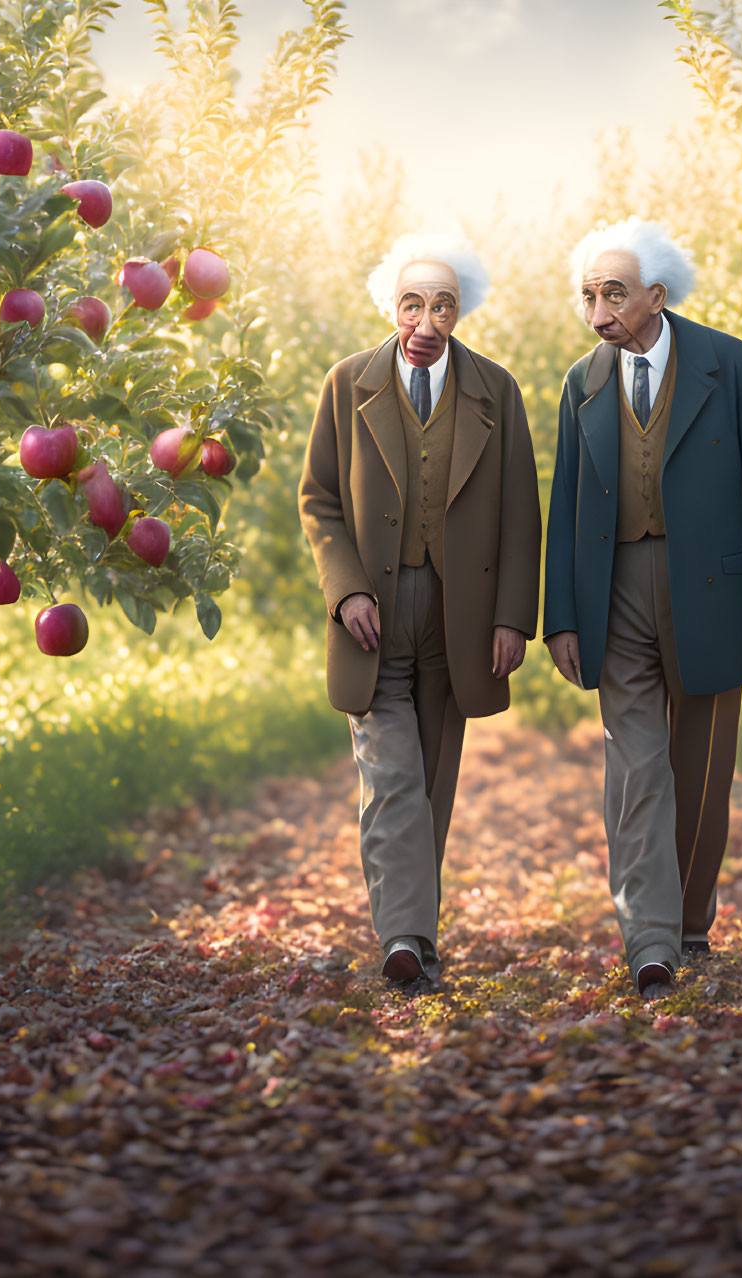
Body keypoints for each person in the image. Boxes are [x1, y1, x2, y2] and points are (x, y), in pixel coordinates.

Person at [542, 217, 742, 1001]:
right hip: (613, 590)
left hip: (715, 593)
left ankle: (689, 922)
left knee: (700, 772)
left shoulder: (728, 362)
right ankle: (649, 941)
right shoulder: (581, 380)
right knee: (636, 766)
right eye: (587, 296)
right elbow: (567, 505)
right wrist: (562, 617)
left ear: (655, 295)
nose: (597, 313)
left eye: (612, 294)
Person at [299, 233, 541, 986]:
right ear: (391, 306)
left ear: (459, 311)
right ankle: (403, 940)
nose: (425, 322)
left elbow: (519, 516)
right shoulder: (346, 384)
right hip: (372, 611)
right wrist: (345, 592)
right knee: (391, 777)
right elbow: (320, 502)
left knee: (432, 782)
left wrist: (511, 617)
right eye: (412, 304)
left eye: (441, 306)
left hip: (459, 613)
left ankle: (414, 936)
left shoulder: (496, 391)